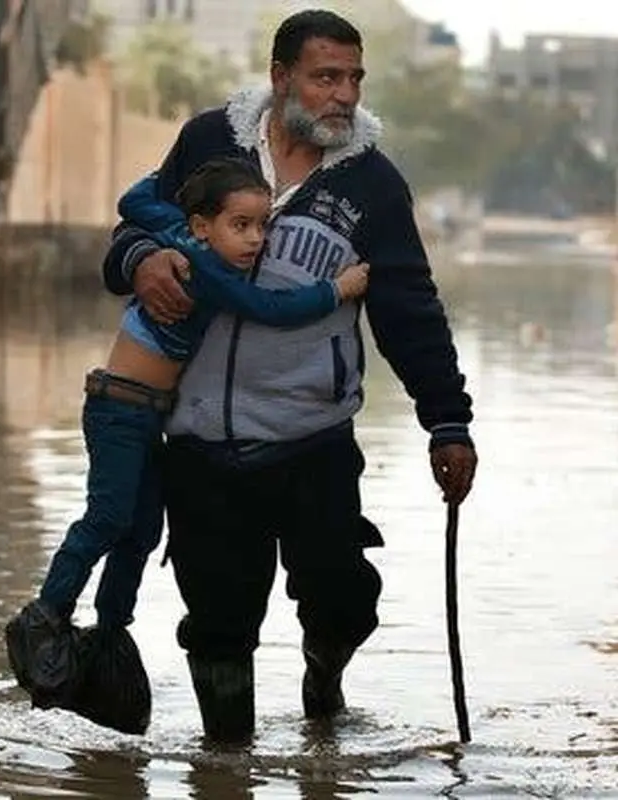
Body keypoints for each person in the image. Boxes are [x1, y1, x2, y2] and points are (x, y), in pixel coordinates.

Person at [100, 9, 478, 746]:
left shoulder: (373, 185)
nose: (345, 95)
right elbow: (134, 232)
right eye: (325, 77)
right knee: (217, 623)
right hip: (200, 442)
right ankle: (224, 766)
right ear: (280, 78)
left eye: (354, 79)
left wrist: (448, 421)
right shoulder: (208, 142)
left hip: (313, 441)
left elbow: (409, 310)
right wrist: (140, 261)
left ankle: (323, 678)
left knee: (343, 601)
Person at [5, 157, 370, 730]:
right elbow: (272, 309)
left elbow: (134, 199)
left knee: (142, 532)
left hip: (152, 415)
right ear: (203, 225)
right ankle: (45, 614)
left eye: (262, 226)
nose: (256, 240)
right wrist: (339, 288)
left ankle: (110, 631)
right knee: (109, 517)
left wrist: (165, 183)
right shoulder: (205, 267)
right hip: (119, 409)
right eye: (241, 226)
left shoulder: (180, 234)